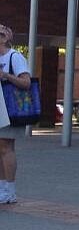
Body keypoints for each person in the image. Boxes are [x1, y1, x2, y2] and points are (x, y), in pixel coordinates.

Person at [0, 24, 31, 204]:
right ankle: (3, 188)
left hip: (11, 109)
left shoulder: (15, 57)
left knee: (6, 148)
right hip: (0, 108)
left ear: (5, 38)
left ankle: (10, 190)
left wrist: (6, 76)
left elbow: (26, 83)